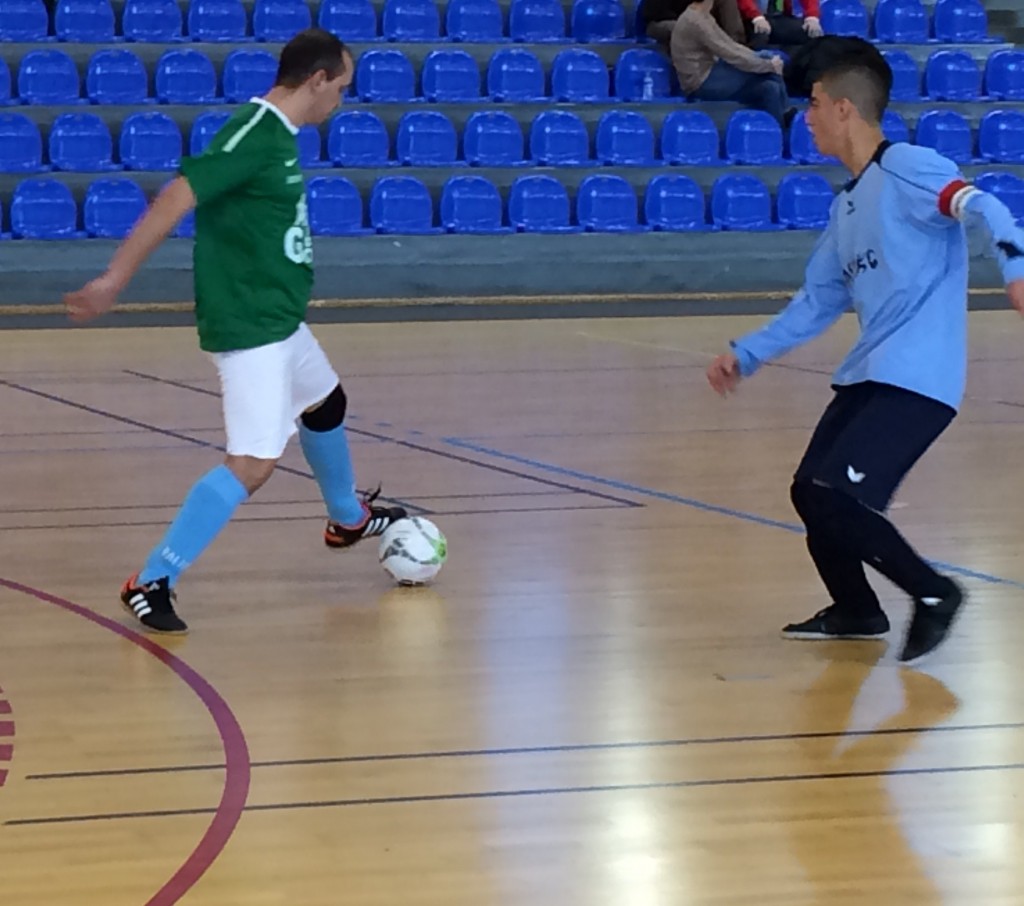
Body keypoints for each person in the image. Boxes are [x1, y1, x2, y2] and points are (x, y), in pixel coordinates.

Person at [63, 29, 407, 635]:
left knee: (325, 403)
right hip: (252, 328)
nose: (341, 102)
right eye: (341, 89)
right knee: (252, 464)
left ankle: (347, 519)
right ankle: (151, 580)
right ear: (316, 80)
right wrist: (113, 280)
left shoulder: (279, 136)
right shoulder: (254, 134)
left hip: (278, 319)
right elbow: (176, 198)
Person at [706, 38, 1024, 662]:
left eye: (815, 103)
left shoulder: (908, 165)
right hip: (868, 374)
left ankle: (933, 594)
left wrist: (1014, 269)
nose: (809, 117)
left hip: (918, 378)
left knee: (834, 495)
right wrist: (746, 354)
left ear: (845, 107)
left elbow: (984, 205)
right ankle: (857, 609)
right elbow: (816, 302)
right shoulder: (845, 205)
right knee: (809, 491)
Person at [671, 0, 791, 127]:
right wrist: (766, 64)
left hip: (712, 72)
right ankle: (785, 116)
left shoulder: (703, 16)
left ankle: (780, 127)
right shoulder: (696, 21)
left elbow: (731, 45)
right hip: (701, 82)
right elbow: (728, 52)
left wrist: (761, 59)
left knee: (770, 88)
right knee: (768, 68)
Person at [643, 0, 745, 47]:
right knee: (681, 27)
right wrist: (690, 20)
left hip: (692, 19)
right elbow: (655, 13)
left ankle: (737, 44)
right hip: (659, 22)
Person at [741, 0, 822, 55]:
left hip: (779, 17)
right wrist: (756, 17)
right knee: (760, 35)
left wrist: (812, 17)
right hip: (752, 19)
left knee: (809, 32)